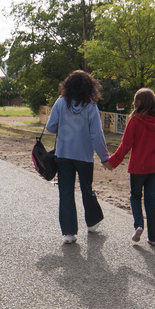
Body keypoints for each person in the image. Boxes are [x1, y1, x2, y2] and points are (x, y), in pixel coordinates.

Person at [45, 70, 111, 244]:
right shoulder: (91, 106)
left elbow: (50, 127)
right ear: (90, 86)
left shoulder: (60, 103)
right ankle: (92, 222)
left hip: (63, 155)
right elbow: (97, 134)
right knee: (86, 189)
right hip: (84, 157)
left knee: (65, 193)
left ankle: (69, 233)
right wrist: (104, 157)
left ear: (67, 85)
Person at [104, 88, 155, 245]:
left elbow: (125, 145)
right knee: (150, 201)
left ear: (139, 103)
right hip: (154, 167)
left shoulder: (135, 120)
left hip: (137, 167)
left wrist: (112, 162)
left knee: (135, 196)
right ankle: (153, 237)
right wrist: (154, 151)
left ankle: (139, 225)